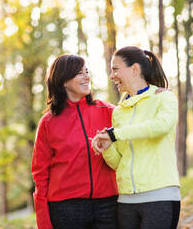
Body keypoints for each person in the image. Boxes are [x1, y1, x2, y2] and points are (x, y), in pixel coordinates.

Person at [91, 46, 181, 229]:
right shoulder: (118, 112)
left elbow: (160, 127)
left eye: (115, 69)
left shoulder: (164, 98)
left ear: (134, 69)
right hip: (126, 202)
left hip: (160, 196)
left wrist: (115, 134)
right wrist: (107, 146)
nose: (111, 76)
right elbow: (119, 163)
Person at [31, 54, 119, 229]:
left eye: (87, 72)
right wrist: (43, 222)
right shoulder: (48, 122)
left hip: (107, 205)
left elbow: (139, 117)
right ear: (63, 80)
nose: (87, 76)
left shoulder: (107, 111)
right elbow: (40, 174)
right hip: (65, 209)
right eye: (80, 73)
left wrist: (155, 92)